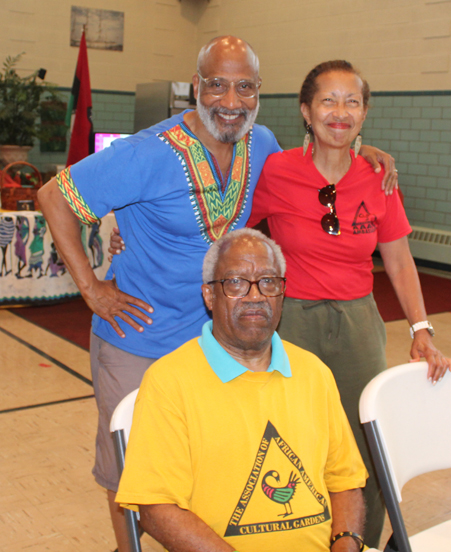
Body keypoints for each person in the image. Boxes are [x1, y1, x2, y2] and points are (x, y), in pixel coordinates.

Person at [38, 36, 396, 550]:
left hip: (217, 346)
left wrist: (364, 151)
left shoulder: (262, 143)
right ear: (196, 86)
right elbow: (54, 197)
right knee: (132, 468)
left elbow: (316, 157)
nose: (231, 101)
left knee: (215, 466)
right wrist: (92, 290)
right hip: (140, 336)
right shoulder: (145, 151)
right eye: (218, 86)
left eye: (245, 87)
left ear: (259, 93)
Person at [246, 60, 451, 547]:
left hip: (358, 323)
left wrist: (420, 329)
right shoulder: (277, 171)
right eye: (327, 100)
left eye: (352, 102)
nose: (339, 112)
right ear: (305, 110)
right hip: (290, 323)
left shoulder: (379, 178)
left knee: (362, 442)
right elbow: (231, 230)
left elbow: (399, 261)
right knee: (289, 440)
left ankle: (357, 539)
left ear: (363, 114)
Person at [116, 228, 368, 552]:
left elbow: (345, 482)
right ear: (209, 295)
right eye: (235, 282)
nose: (255, 295)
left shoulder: (314, 373)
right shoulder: (168, 382)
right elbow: (154, 509)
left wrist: (345, 545)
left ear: (281, 293)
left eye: (268, 282)